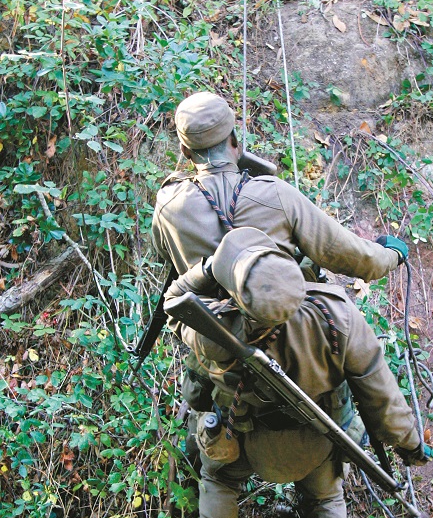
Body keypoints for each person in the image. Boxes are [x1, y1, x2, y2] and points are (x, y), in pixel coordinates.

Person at [164, 227, 427, 518]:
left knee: (218, 480)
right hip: (315, 444)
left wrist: (207, 274)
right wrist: (411, 446)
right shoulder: (337, 315)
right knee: (327, 500)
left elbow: (193, 389)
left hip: (245, 445)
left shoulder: (211, 329)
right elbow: (381, 396)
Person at [152, 90, 409, 447]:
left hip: (222, 359)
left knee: (215, 474)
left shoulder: (168, 205)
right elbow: (352, 257)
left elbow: (164, 256)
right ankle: (394, 440)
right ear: (235, 141)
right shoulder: (275, 194)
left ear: (184, 152)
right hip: (294, 351)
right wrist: (390, 254)